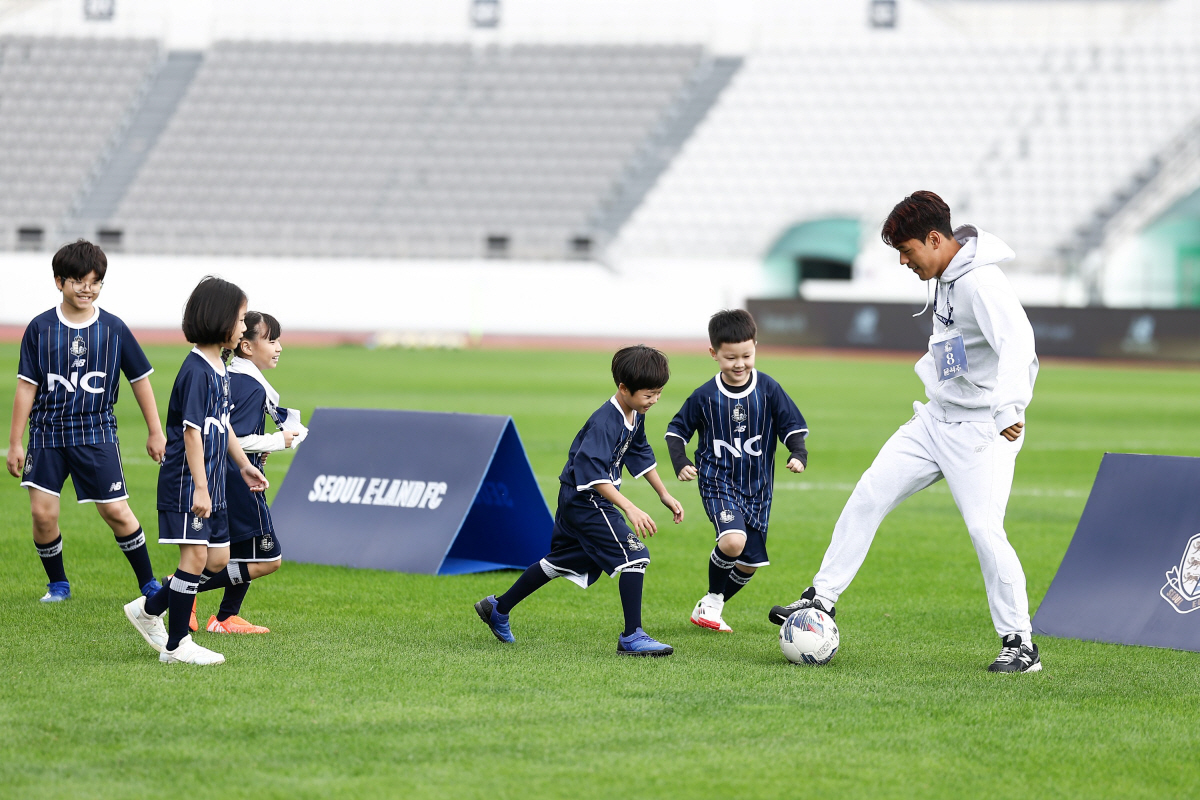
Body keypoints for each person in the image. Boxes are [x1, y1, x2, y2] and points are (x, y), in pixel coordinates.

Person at [768, 190, 1042, 673]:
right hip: (935, 418)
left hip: (982, 430)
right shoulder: (948, 274)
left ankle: (1020, 643)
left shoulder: (982, 284)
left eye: (907, 250)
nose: (902, 261)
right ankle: (821, 599)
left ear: (935, 239)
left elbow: (1019, 344)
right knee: (869, 493)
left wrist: (1008, 408)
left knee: (984, 530)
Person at [474, 345, 685, 656]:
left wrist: (663, 494)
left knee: (563, 562)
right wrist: (630, 506)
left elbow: (639, 452)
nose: (654, 400)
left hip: (582, 499)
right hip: (587, 499)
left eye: (658, 393)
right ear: (623, 388)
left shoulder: (634, 413)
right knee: (635, 554)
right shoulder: (605, 422)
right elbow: (591, 473)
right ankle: (632, 636)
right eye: (648, 394)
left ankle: (498, 607)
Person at [7, 240, 166, 603]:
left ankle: (148, 583)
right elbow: (25, 388)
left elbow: (140, 380)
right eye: (78, 280)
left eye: (95, 281)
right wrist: (16, 442)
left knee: (115, 511)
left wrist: (155, 431)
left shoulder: (114, 328)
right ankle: (58, 585)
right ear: (59, 281)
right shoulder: (40, 328)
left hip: (96, 431)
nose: (87, 288)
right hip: (47, 433)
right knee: (42, 514)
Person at [123, 276, 269, 665]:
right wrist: (201, 488)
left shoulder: (219, 367)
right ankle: (175, 646)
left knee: (218, 559)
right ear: (220, 319)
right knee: (194, 559)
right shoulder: (196, 371)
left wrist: (243, 467)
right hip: (190, 482)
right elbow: (191, 433)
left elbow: (223, 427)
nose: (243, 327)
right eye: (240, 319)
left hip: (215, 480)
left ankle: (148, 609)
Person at [665, 309, 809, 633]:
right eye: (731, 357)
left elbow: (792, 426)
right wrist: (681, 462)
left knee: (749, 563)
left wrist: (799, 453)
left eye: (747, 354)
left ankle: (709, 606)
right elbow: (676, 432)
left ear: (755, 346)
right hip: (717, 480)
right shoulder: (705, 396)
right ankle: (714, 600)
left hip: (759, 489)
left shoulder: (768, 388)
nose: (740, 363)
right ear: (714, 354)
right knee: (732, 542)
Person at [206, 310, 306, 634]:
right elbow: (236, 437)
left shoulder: (232, 375)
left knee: (238, 550)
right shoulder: (250, 386)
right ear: (246, 347)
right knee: (268, 559)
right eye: (272, 340)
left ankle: (224, 618)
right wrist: (280, 440)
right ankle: (182, 587)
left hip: (224, 477)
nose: (279, 347)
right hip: (240, 479)